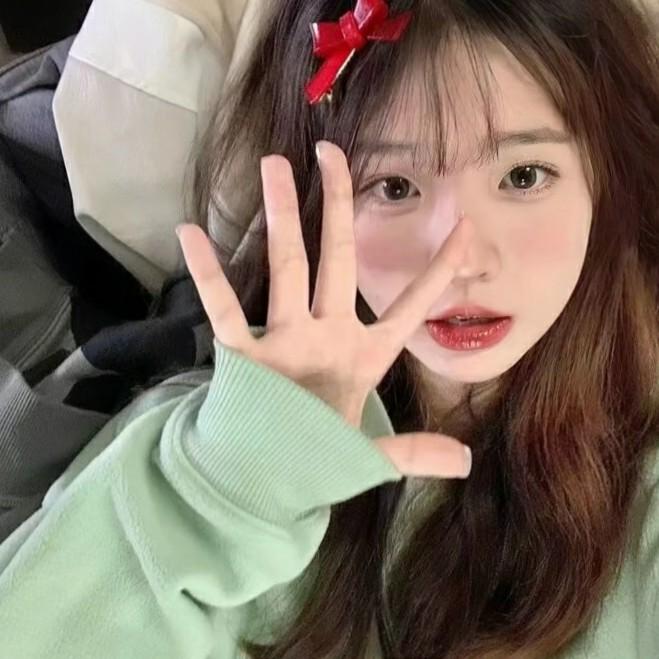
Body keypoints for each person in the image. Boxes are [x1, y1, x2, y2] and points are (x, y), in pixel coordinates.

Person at [1, 0, 658, 657]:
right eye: (394, 186)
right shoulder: (205, 452)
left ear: (605, 182)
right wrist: (219, 502)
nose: (460, 260)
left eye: (523, 176)